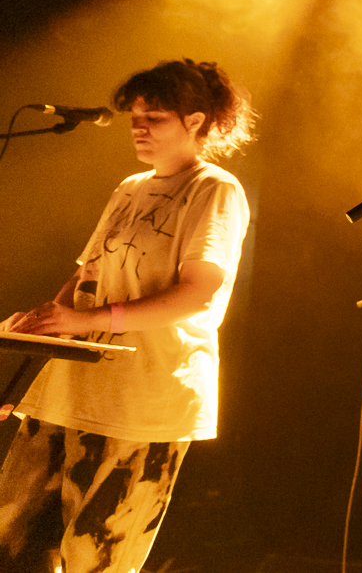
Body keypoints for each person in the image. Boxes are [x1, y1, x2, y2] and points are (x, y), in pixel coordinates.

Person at [0, 59, 254, 573]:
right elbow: (85, 276)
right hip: (71, 392)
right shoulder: (131, 187)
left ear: (197, 121)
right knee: (12, 543)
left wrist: (90, 321)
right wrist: (43, 325)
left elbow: (198, 294)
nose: (139, 129)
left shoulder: (214, 190)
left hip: (145, 399)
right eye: (136, 118)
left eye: (154, 118)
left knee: (97, 559)